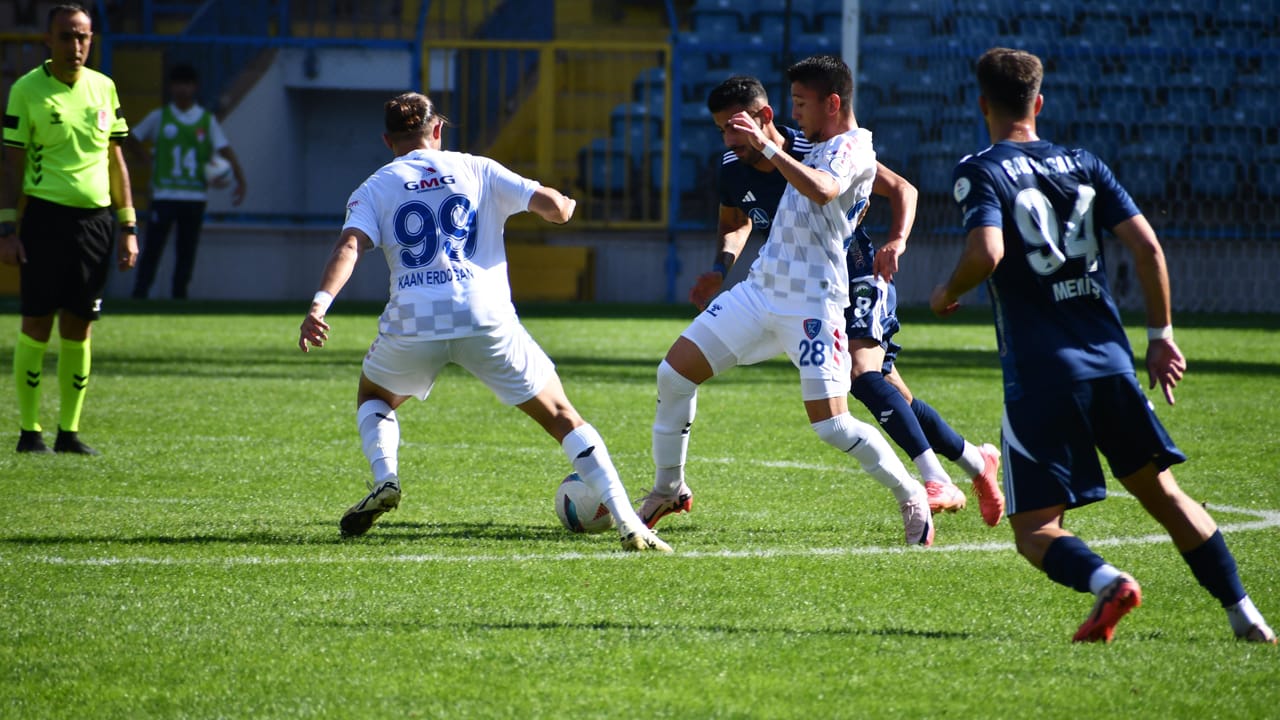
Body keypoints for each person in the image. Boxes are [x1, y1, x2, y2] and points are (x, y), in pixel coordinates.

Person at [931, 47, 1275, 643]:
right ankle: (1246, 614)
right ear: (1039, 103)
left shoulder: (980, 169)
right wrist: (1161, 338)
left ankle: (1107, 582)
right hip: (1111, 359)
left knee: (1035, 527)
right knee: (1162, 493)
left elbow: (988, 253)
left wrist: (944, 291)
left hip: (1042, 371)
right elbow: (1148, 249)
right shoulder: (1084, 162)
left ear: (982, 104)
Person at [297, 92, 671, 552]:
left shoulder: (375, 186)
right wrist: (564, 206)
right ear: (437, 130)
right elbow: (548, 204)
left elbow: (349, 246)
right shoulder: (477, 167)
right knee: (560, 415)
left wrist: (319, 306)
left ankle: (386, 477)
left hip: (414, 318)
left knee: (374, 396)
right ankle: (629, 521)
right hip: (485, 315)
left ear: (387, 140)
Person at [641, 75, 1004, 530]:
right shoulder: (733, 163)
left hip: (854, 276)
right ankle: (975, 461)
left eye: (733, 127)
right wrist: (720, 268)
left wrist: (897, 239)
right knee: (891, 390)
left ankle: (932, 481)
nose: (728, 140)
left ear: (765, 117)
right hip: (776, 286)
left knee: (863, 378)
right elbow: (736, 221)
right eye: (720, 131)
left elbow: (901, 189)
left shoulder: (817, 146)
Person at [1, 3, 138, 455]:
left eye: (82, 36)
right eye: (66, 36)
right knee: (37, 322)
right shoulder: (26, 91)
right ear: (48, 40)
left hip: (95, 224)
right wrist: (8, 228)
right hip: (43, 219)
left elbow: (115, 161)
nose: (75, 45)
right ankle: (29, 431)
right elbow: (12, 166)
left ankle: (69, 433)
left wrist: (127, 224)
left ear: (92, 39)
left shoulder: (104, 88)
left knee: (80, 326)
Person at [127, 62, 246, 300]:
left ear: (195, 87)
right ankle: (140, 294)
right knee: (152, 248)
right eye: (178, 84)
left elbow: (225, 149)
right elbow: (132, 138)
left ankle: (179, 296)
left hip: (194, 196)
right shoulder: (160, 117)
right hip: (164, 194)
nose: (183, 89)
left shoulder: (205, 120)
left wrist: (241, 180)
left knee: (186, 251)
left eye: (187, 84)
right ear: (171, 87)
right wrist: (145, 160)